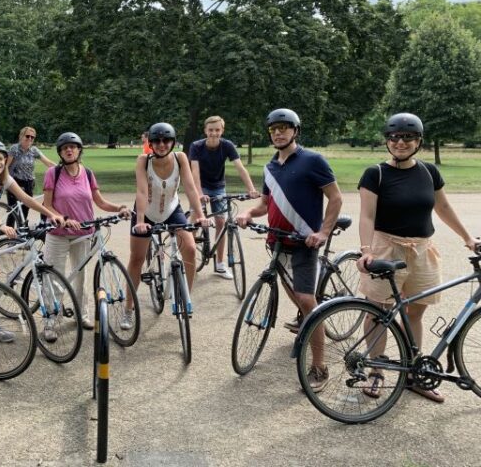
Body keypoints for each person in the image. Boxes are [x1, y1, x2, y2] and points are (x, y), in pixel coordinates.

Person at [357, 112, 480, 403]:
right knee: (379, 311)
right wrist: (366, 250)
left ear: (418, 141)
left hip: (422, 249)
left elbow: (444, 207)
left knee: (416, 311)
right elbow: (366, 215)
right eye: (394, 137)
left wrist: (467, 238)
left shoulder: (428, 172)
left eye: (407, 137)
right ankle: (376, 370)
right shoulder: (376, 173)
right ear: (387, 140)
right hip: (386, 247)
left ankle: (413, 373)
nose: (400, 142)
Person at [236, 108, 342, 393]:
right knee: (296, 298)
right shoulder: (270, 167)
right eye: (273, 129)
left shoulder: (312, 160)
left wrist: (323, 232)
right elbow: (263, 205)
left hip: (304, 243)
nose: (278, 133)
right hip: (278, 242)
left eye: (284, 128)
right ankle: (307, 326)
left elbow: (335, 197)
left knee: (308, 302)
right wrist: (248, 213)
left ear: (295, 131)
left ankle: (319, 365)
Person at [0, 140, 64, 340]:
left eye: (1, 158)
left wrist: (50, 214)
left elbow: (26, 199)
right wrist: (1, 225)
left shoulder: (5, 179)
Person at [42, 133, 131, 330]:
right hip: (57, 233)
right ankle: (51, 319)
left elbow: (100, 202)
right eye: (65, 147)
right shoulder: (53, 174)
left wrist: (120, 208)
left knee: (80, 277)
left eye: (73, 146)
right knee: (54, 277)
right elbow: (46, 206)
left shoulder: (88, 173)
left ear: (79, 149)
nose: (69, 150)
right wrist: (65, 220)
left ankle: (81, 314)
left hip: (83, 233)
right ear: (60, 152)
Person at [125, 122, 209, 327]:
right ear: (151, 143)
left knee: (189, 248)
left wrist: (199, 215)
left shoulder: (180, 158)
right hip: (147, 211)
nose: (162, 144)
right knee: (136, 258)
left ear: (173, 142)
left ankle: (185, 296)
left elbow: (189, 188)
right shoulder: (143, 161)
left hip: (172, 210)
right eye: (157, 141)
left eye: (166, 140)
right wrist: (141, 221)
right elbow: (142, 192)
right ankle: (128, 307)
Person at [188, 116, 260, 278]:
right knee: (196, 220)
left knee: (221, 222)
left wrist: (251, 189)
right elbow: (194, 172)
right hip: (200, 186)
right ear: (205, 131)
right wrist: (199, 193)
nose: (214, 133)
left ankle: (220, 264)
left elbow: (240, 168)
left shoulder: (227, 146)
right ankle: (189, 259)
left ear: (222, 131)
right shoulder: (196, 146)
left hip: (218, 187)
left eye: (217, 130)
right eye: (211, 130)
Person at [5, 126, 55, 226]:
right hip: (15, 181)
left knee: (26, 207)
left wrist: (63, 168)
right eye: (27, 136)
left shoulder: (34, 150)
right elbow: (6, 166)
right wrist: (6, 180)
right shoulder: (15, 149)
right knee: (14, 209)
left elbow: (48, 162)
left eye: (32, 137)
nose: (30, 139)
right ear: (21, 136)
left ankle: (21, 230)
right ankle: (8, 233)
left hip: (29, 182)